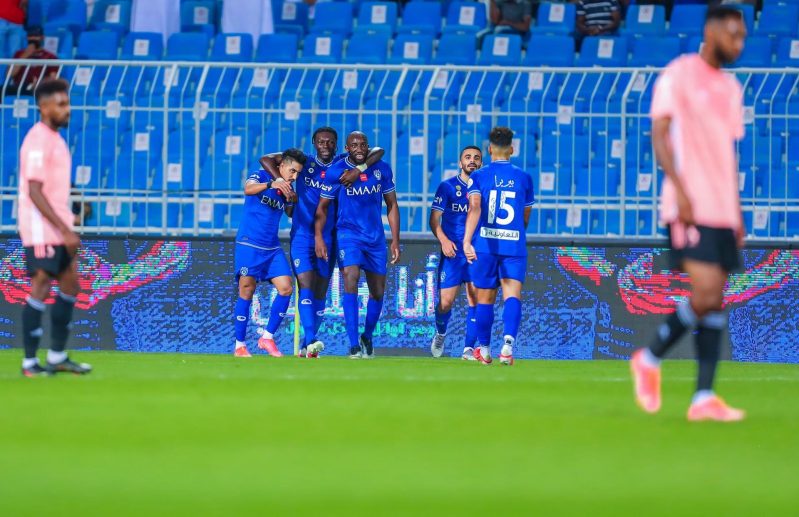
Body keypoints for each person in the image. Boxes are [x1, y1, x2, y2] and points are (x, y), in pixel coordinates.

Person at [630, 6, 747, 423]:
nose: (738, 43)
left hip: (720, 207)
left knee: (714, 299)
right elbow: (659, 134)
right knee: (706, 293)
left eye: (743, 36)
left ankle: (702, 397)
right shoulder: (679, 74)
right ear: (711, 31)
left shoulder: (732, 89)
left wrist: (737, 213)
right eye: (733, 34)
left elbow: (726, 155)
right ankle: (650, 357)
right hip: (688, 204)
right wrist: (678, 190)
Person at [259, 127, 384, 357]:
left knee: (320, 293)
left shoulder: (342, 164)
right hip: (302, 236)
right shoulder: (304, 163)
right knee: (305, 285)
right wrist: (279, 181)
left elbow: (378, 151)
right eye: (320, 142)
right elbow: (266, 159)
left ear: (337, 145)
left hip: (331, 238)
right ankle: (310, 340)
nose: (325, 146)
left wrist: (359, 169)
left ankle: (308, 346)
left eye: (329, 142)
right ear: (314, 144)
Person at [17, 78, 90, 377]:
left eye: (67, 102)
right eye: (61, 104)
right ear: (43, 107)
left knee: (71, 284)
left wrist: (72, 213)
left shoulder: (57, 140)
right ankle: (29, 363)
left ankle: (57, 356)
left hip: (58, 224)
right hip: (41, 226)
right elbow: (34, 190)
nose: (67, 109)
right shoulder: (37, 139)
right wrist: (64, 229)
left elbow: (55, 184)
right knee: (42, 284)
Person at [315, 131, 400, 359]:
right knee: (349, 279)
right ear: (347, 147)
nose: (359, 148)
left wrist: (395, 240)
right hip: (348, 235)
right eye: (354, 145)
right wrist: (319, 236)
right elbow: (322, 207)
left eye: (363, 144)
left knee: (378, 292)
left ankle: (367, 336)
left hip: (375, 239)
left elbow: (391, 204)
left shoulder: (381, 168)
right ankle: (353, 344)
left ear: (367, 146)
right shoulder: (336, 171)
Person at [463, 127, 534, 366]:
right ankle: (508, 346)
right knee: (513, 294)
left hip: (485, 244)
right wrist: (514, 232)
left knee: (485, 299)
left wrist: (466, 240)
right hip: (514, 246)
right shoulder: (524, 178)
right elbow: (525, 216)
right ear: (512, 149)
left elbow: (475, 208)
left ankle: (484, 349)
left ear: (489, 149)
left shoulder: (479, 176)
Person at [232, 149, 305, 358]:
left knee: (286, 288)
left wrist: (293, 200)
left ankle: (267, 337)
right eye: (292, 171)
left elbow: (290, 212)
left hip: (271, 247)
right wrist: (272, 184)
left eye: (298, 173)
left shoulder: (289, 187)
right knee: (246, 291)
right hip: (249, 243)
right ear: (281, 165)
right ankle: (240, 345)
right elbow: (248, 189)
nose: (294, 176)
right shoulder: (262, 175)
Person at [429, 145, 483, 360]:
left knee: (476, 300)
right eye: (468, 157)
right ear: (460, 163)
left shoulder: (485, 188)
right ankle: (441, 333)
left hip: (475, 253)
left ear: (481, 163)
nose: (472, 161)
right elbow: (434, 220)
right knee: (445, 303)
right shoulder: (447, 187)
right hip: (452, 255)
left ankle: (468, 349)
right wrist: (443, 240)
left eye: (477, 158)